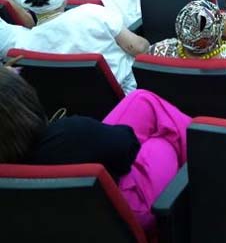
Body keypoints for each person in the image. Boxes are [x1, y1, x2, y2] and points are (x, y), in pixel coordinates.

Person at [0, 70, 190, 238]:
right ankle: (206, 156)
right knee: (164, 137)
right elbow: (127, 146)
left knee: (141, 99)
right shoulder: (69, 134)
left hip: (74, 216)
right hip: (130, 211)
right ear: (24, 101)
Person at [10, 0, 149, 93]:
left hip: (67, 110)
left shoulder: (23, 46)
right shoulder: (93, 13)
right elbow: (139, 48)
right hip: (125, 98)